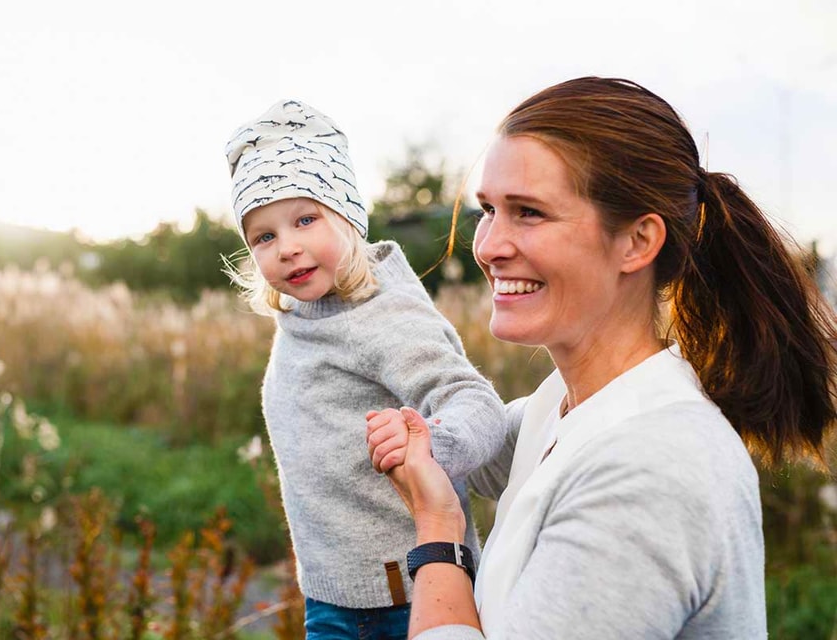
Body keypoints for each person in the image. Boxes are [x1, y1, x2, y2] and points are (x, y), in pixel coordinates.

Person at [367, 76, 837, 639]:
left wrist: (438, 532)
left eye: (529, 212)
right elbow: (478, 446)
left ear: (637, 242)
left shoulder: (653, 471)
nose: (488, 246)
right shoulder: (563, 405)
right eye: (488, 209)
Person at [224, 99, 508, 639]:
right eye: (264, 236)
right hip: (331, 595)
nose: (287, 248)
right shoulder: (305, 313)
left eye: (305, 220)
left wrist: (431, 443)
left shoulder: (381, 313)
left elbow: (475, 401)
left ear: (349, 218)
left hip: (402, 598)